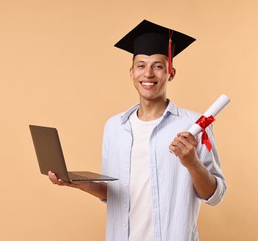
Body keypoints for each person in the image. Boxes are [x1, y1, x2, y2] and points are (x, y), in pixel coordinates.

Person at [48, 19, 226, 241]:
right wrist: (78, 183)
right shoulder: (114, 127)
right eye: (141, 65)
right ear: (131, 72)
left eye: (158, 66)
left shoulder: (196, 126)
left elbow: (214, 195)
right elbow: (114, 193)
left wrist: (192, 162)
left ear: (171, 72)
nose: (148, 74)